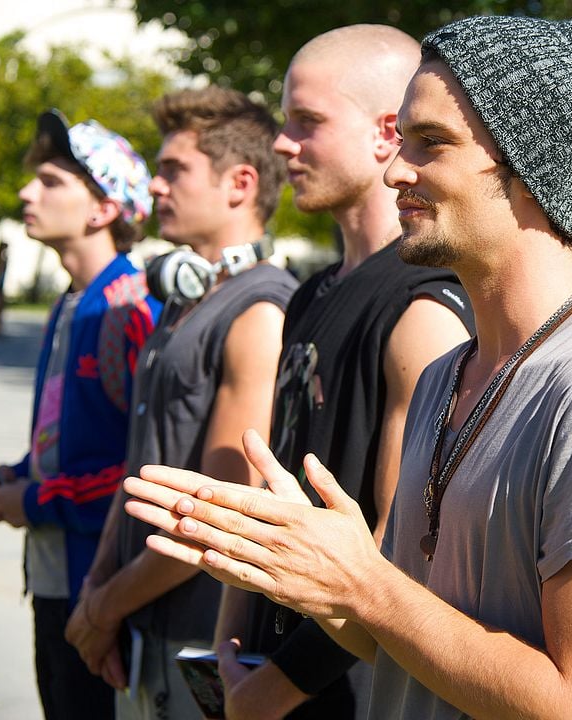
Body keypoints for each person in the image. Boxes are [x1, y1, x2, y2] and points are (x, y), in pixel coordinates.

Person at [124, 16, 572, 720]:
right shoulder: (447, 376)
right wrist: (306, 574)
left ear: (529, 167)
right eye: (401, 140)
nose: (397, 168)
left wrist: (364, 583)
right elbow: (408, 640)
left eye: (432, 143)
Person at [213, 25, 474, 720]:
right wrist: (227, 646)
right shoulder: (311, 293)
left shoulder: (424, 307)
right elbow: (269, 482)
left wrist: (272, 690)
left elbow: (397, 554)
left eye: (308, 122)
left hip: (344, 692)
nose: (281, 143)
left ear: (387, 134)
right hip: (257, 675)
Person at [64, 87, 298, 719]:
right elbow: (136, 469)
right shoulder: (179, 301)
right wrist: (98, 591)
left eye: (174, 170)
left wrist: (101, 608)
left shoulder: (259, 310)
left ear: (240, 183)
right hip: (138, 631)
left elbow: (218, 508)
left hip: (195, 648)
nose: (157, 186)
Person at [0, 109, 159, 720]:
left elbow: (146, 470)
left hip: (100, 592)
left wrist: (31, 499)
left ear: (103, 209)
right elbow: (65, 435)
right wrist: (14, 473)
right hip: (52, 582)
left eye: (53, 181)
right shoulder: (71, 304)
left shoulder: (131, 311)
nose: (28, 191)